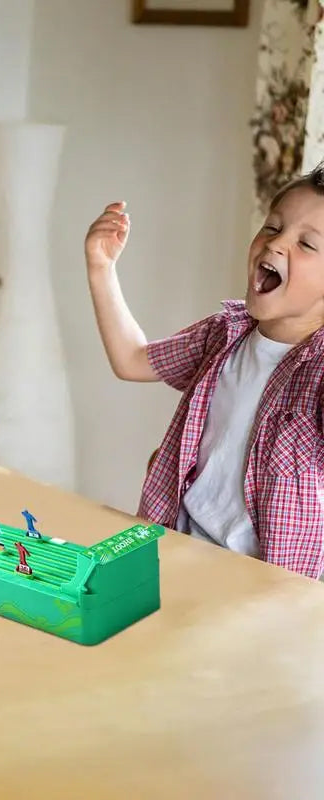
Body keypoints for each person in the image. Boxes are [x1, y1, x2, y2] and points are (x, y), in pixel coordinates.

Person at [85, 164, 324, 580]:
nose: (277, 243)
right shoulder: (224, 333)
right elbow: (131, 359)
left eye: (307, 243)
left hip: (265, 587)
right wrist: (101, 268)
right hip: (179, 546)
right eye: (272, 226)